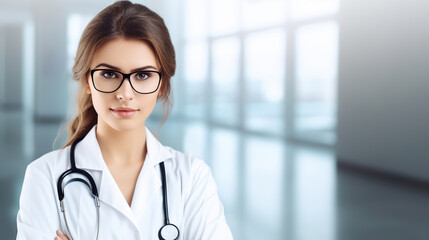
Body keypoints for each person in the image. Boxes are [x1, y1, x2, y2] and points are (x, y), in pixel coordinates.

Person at [16, 1, 233, 239]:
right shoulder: (44, 176)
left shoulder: (191, 177)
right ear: (88, 80)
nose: (125, 93)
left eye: (142, 75)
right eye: (109, 74)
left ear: (161, 84)